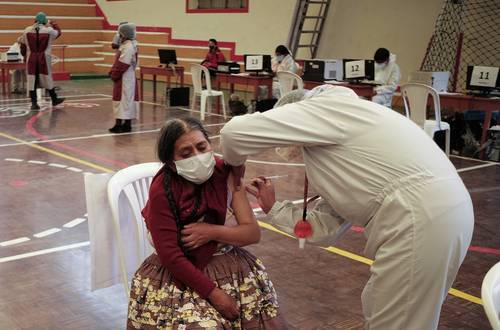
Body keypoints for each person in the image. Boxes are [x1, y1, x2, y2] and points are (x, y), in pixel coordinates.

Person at [220, 85, 474, 330]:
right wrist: (275, 208)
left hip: (419, 217)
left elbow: (233, 134)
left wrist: (234, 167)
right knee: (393, 311)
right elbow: (323, 230)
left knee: (397, 321)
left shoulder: (326, 108)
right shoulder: (354, 136)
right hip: (443, 213)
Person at [127, 117, 286, 329]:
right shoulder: (162, 191)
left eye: (202, 147)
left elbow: (251, 234)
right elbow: (170, 255)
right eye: (186, 154)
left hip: (230, 266)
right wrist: (214, 293)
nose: (198, 157)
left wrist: (211, 232)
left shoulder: (226, 173)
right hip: (180, 273)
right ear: (171, 163)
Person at [19, 12, 64, 110]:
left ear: (34, 20)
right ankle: (54, 99)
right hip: (44, 57)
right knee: (47, 78)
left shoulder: (27, 30)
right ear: (45, 21)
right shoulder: (49, 31)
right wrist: (52, 23)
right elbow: (59, 32)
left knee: (32, 80)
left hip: (32, 57)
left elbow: (22, 44)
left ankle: (34, 104)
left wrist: (24, 55)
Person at [109, 23, 139, 133]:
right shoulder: (129, 45)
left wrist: (114, 74)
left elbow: (123, 64)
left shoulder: (128, 46)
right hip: (127, 76)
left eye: (121, 34)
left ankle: (121, 124)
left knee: (123, 101)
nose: (119, 36)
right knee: (126, 101)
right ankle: (126, 124)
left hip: (125, 77)